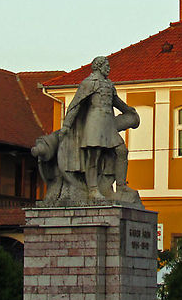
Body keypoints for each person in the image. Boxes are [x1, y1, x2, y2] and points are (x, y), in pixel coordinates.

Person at [57, 56, 141, 205]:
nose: (109, 68)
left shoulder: (109, 84)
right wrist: (66, 126)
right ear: (98, 66)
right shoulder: (88, 83)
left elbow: (117, 103)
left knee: (122, 151)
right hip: (94, 124)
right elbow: (75, 105)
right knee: (93, 157)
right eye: (106, 65)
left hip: (108, 124)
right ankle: (93, 189)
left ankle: (121, 186)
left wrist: (129, 110)